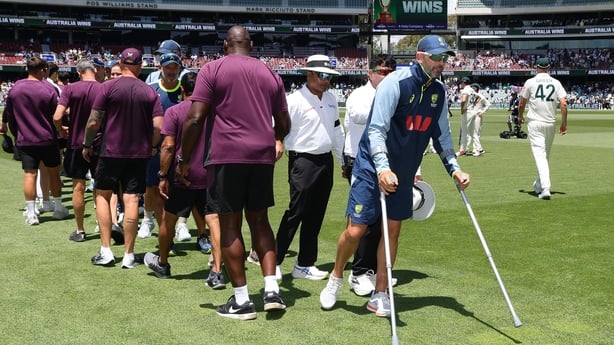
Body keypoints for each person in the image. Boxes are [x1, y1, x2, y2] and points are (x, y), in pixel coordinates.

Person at [319, 35, 471, 317]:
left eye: (445, 58)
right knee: (356, 230)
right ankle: (336, 277)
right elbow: (376, 129)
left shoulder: (438, 92)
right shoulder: (394, 84)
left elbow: (443, 138)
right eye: (436, 57)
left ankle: (379, 293)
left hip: (401, 173)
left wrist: (455, 168)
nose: (442, 63)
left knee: (392, 232)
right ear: (420, 57)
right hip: (370, 167)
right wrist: (382, 167)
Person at [178, 25, 290, 320]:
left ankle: (241, 300)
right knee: (261, 221)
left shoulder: (212, 69)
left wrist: (183, 158)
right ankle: (271, 290)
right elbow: (284, 123)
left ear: (226, 45)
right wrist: (275, 138)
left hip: (227, 155)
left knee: (230, 224)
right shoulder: (270, 74)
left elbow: (195, 118)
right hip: (261, 156)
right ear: (250, 45)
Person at [83, 48, 164, 268]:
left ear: (121, 63)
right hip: (138, 152)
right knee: (131, 199)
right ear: (139, 66)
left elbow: (93, 122)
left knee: (103, 196)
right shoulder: (148, 91)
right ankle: (129, 255)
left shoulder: (108, 87)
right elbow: (158, 125)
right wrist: (153, 145)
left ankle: (106, 250)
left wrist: (87, 144)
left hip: (110, 150)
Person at [144, 72, 225, 289]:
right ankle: (217, 269)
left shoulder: (175, 111)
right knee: (214, 221)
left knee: (168, 220)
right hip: (210, 174)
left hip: (182, 175)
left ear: (182, 90)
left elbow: (168, 146)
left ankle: (162, 263)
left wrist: (162, 175)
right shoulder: (215, 112)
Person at [274, 54, 344, 281]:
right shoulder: (294, 100)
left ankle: (304, 263)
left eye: (329, 76)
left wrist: (343, 160)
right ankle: (274, 260)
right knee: (297, 211)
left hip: (325, 161)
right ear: (309, 74)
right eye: (322, 75)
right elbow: (277, 127)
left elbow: (336, 130)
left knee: (316, 214)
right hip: (302, 161)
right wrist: (278, 142)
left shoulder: (331, 99)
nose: (326, 81)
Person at [342, 54, 399, 295]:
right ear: (370, 73)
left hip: (383, 163)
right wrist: (389, 110)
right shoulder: (360, 95)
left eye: (390, 72)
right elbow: (357, 116)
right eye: (381, 72)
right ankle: (358, 272)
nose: (385, 76)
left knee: (380, 221)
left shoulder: (395, 95)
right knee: (363, 219)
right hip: (360, 160)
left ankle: (373, 270)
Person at [1, 56, 69, 225]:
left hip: (26, 139)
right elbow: (56, 115)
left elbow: (9, 114)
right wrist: (61, 130)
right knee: (54, 173)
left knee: (30, 175)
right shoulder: (48, 88)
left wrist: (12, 130)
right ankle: (58, 207)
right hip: (47, 138)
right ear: (41, 70)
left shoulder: (16, 88)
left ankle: (31, 213)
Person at [52, 58, 104, 241]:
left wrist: (60, 130)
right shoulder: (103, 88)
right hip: (99, 143)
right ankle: (103, 225)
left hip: (76, 143)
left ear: (79, 72)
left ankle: (80, 230)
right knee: (101, 188)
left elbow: (57, 115)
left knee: (78, 187)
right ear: (94, 70)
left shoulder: (70, 88)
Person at [138, 52, 183, 240]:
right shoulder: (151, 90)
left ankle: (181, 223)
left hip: (179, 148)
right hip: (156, 147)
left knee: (179, 187)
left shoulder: (186, 90)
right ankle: (147, 220)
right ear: (160, 69)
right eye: (168, 67)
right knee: (151, 186)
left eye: (175, 67)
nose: (171, 71)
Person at [518, 57, 568, 200]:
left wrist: (520, 116)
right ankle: (539, 185)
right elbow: (563, 104)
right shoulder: (556, 82)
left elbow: (522, 103)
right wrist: (564, 123)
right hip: (550, 123)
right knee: (544, 156)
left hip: (535, 123)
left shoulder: (531, 82)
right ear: (549, 68)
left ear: (536, 67)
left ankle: (545, 188)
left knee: (540, 156)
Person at [461, 83, 490, 157]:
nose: (473, 89)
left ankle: (476, 149)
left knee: (475, 132)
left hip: (477, 115)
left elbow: (488, 104)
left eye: (475, 88)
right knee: (470, 132)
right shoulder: (472, 95)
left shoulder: (480, 96)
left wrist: (482, 111)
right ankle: (467, 148)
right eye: (472, 87)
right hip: (471, 114)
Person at [457, 76, 475, 156]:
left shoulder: (466, 89)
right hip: (472, 110)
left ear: (464, 83)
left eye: (461, 83)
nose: (460, 84)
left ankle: (462, 150)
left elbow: (463, 100)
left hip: (467, 111)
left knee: (464, 132)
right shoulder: (472, 89)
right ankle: (477, 149)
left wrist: (462, 109)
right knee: (472, 132)